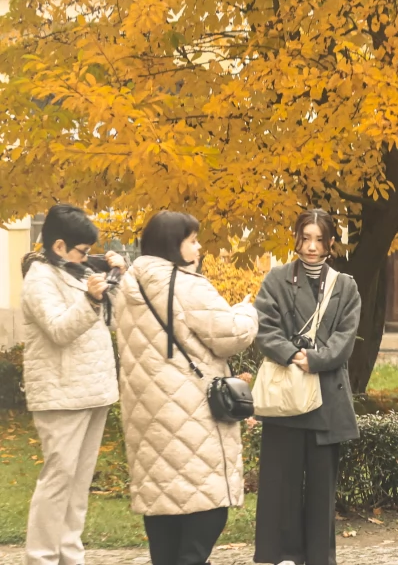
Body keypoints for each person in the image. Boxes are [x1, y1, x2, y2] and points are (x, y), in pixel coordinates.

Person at [112, 211, 259, 565]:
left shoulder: (128, 287)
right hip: (191, 413)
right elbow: (231, 335)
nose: (198, 247)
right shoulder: (187, 285)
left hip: (146, 413)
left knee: (162, 507)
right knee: (208, 510)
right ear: (172, 245)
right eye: (192, 240)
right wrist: (248, 310)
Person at [252, 209, 362, 565]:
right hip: (286, 393)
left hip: (325, 395)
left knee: (320, 488)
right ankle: (282, 554)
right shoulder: (276, 279)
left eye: (319, 239)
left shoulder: (345, 285)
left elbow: (345, 339)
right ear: (296, 237)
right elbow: (264, 327)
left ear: (330, 242)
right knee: (280, 484)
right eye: (305, 237)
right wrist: (291, 354)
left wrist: (314, 359)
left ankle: (318, 557)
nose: (311, 247)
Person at [20, 204, 124, 565]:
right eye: (82, 250)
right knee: (58, 481)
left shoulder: (78, 272)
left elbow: (112, 322)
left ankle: (69, 554)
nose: (86, 257)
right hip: (61, 395)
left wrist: (115, 280)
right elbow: (59, 330)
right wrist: (90, 298)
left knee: (79, 485)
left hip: (95, 389)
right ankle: (42, 557)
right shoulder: (39, 278)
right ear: (59, 246)